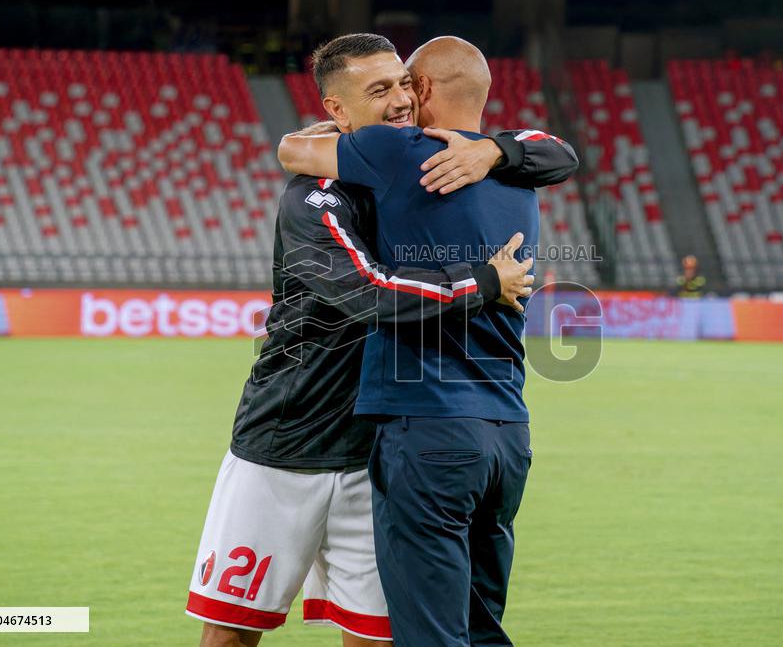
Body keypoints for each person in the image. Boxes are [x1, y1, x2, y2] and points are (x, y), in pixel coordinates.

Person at [188, 33, 578, 647]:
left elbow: (551, 152)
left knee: (377, 637)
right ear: (339, 113)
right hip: (287, 440)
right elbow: (369, 293)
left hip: (378, 447)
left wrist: (495, 151)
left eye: (402, 82)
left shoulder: (425, 164)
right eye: (379, 91)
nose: (399, 99)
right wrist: (483, 280)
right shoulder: (317, 196)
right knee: (233, 633)